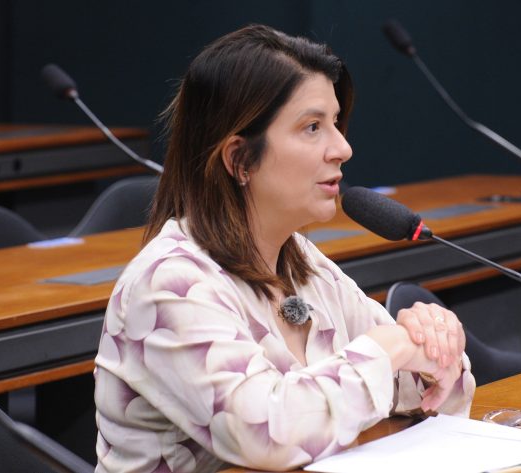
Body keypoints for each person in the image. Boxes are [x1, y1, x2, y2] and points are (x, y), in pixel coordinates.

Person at [94, 24, 475, 472]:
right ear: (239, 159)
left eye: (335, 123)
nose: (343, 148)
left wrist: (429, 350)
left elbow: (431, 392)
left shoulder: (302, 262)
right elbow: (268, 434)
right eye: (312, 127)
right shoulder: (168, 284)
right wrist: (391, 347)